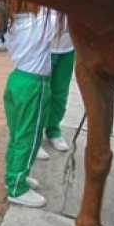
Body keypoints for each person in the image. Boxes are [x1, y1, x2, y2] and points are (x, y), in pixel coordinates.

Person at [0, 1, 57, 208]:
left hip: (16, 82)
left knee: (18, 134)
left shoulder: (11, 23)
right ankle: (17, 188)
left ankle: (13, 175)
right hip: (34, 85)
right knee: (29, 137)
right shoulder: (41, 22)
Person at [44, 12, 75, 152]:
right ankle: (34, 136)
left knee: (60, 95)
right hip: (44, 48)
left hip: (68, 48)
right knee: (41, 94)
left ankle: (53, 131)